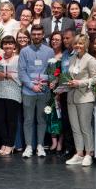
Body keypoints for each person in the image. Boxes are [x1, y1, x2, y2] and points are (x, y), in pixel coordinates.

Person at [18, 25, 55, 158]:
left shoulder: (50, 51)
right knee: (28, 119)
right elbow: (21, 72)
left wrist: (50, 81)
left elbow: (52, 71)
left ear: (43, 34)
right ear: (31, 35)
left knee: (42, 119)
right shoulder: (24, 51)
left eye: (39, 34)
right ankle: (28, 146)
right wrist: (31, 86)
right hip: (29, 91)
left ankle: (40, 145)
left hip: (44, 91)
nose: (36, 36)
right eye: (34, 34)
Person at [63, 35, 96, 167]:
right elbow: (70, 75)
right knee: (75, 127)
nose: (78, 46)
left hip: (85, 97)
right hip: (71, 96)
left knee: (85, 127)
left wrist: (79, 83)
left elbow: (95, 79)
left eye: (81, 44)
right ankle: (79, 153)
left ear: (86, 45)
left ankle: (89, 153)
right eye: (76, 44)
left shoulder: (91, 60)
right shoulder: (72, 58)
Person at [0, 35, 21, 157]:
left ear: (14, 46)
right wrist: (1, 76)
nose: (8, 46)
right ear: (2, 46)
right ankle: (4, 143)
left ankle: (10, 144)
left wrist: (10, 75)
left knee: (11, 120)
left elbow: (21, 75)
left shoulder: (19, 59)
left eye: (10, 44)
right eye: (5, 44)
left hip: (13, 93)